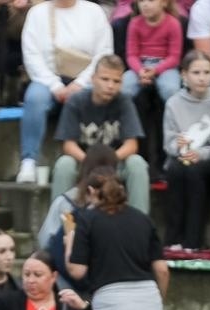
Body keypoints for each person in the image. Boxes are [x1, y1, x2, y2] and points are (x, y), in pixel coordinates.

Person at [64, 174, 171, 310]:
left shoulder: (88, 220)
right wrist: (158, 299)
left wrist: (69, 243)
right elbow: (162, 269)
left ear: (95, 193)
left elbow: (76, 270)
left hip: (111, 305)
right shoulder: (143, 219)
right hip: (148, 302)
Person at [16, 0, 114, 184]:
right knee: (34, 98)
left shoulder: (94, 12)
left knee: (101, 94)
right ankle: (28, 160)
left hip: (87, 78)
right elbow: (31, 56)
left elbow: (104, 53)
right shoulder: (37, 13)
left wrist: (80, 83)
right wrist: (55, 85)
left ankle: (96, 161)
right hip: (47, 78)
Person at [50, 56, 152, 212]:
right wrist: (91, 162)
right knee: (64, 164)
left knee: (137, 163)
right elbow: (68, 145)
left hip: (115, 164)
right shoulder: (76, 101)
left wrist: (106, 162)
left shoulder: (124, 102)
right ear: (93, 79)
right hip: (83, 162)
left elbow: (132, 145)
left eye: (116, 81)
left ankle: (140, 226)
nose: (110, 86)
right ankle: (59, 224)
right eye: (105, 79)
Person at [163, 50, 210, 252]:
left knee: (193, 172)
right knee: (175, 170)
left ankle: (192, 241)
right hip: (181, 156)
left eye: (207, 72)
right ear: (184, 75)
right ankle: (172, 239)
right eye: (196, 73)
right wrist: (180, 147)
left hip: (209, 158)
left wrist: (200, 154)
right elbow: (169, 141)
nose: (202, 78)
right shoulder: (174, 103)